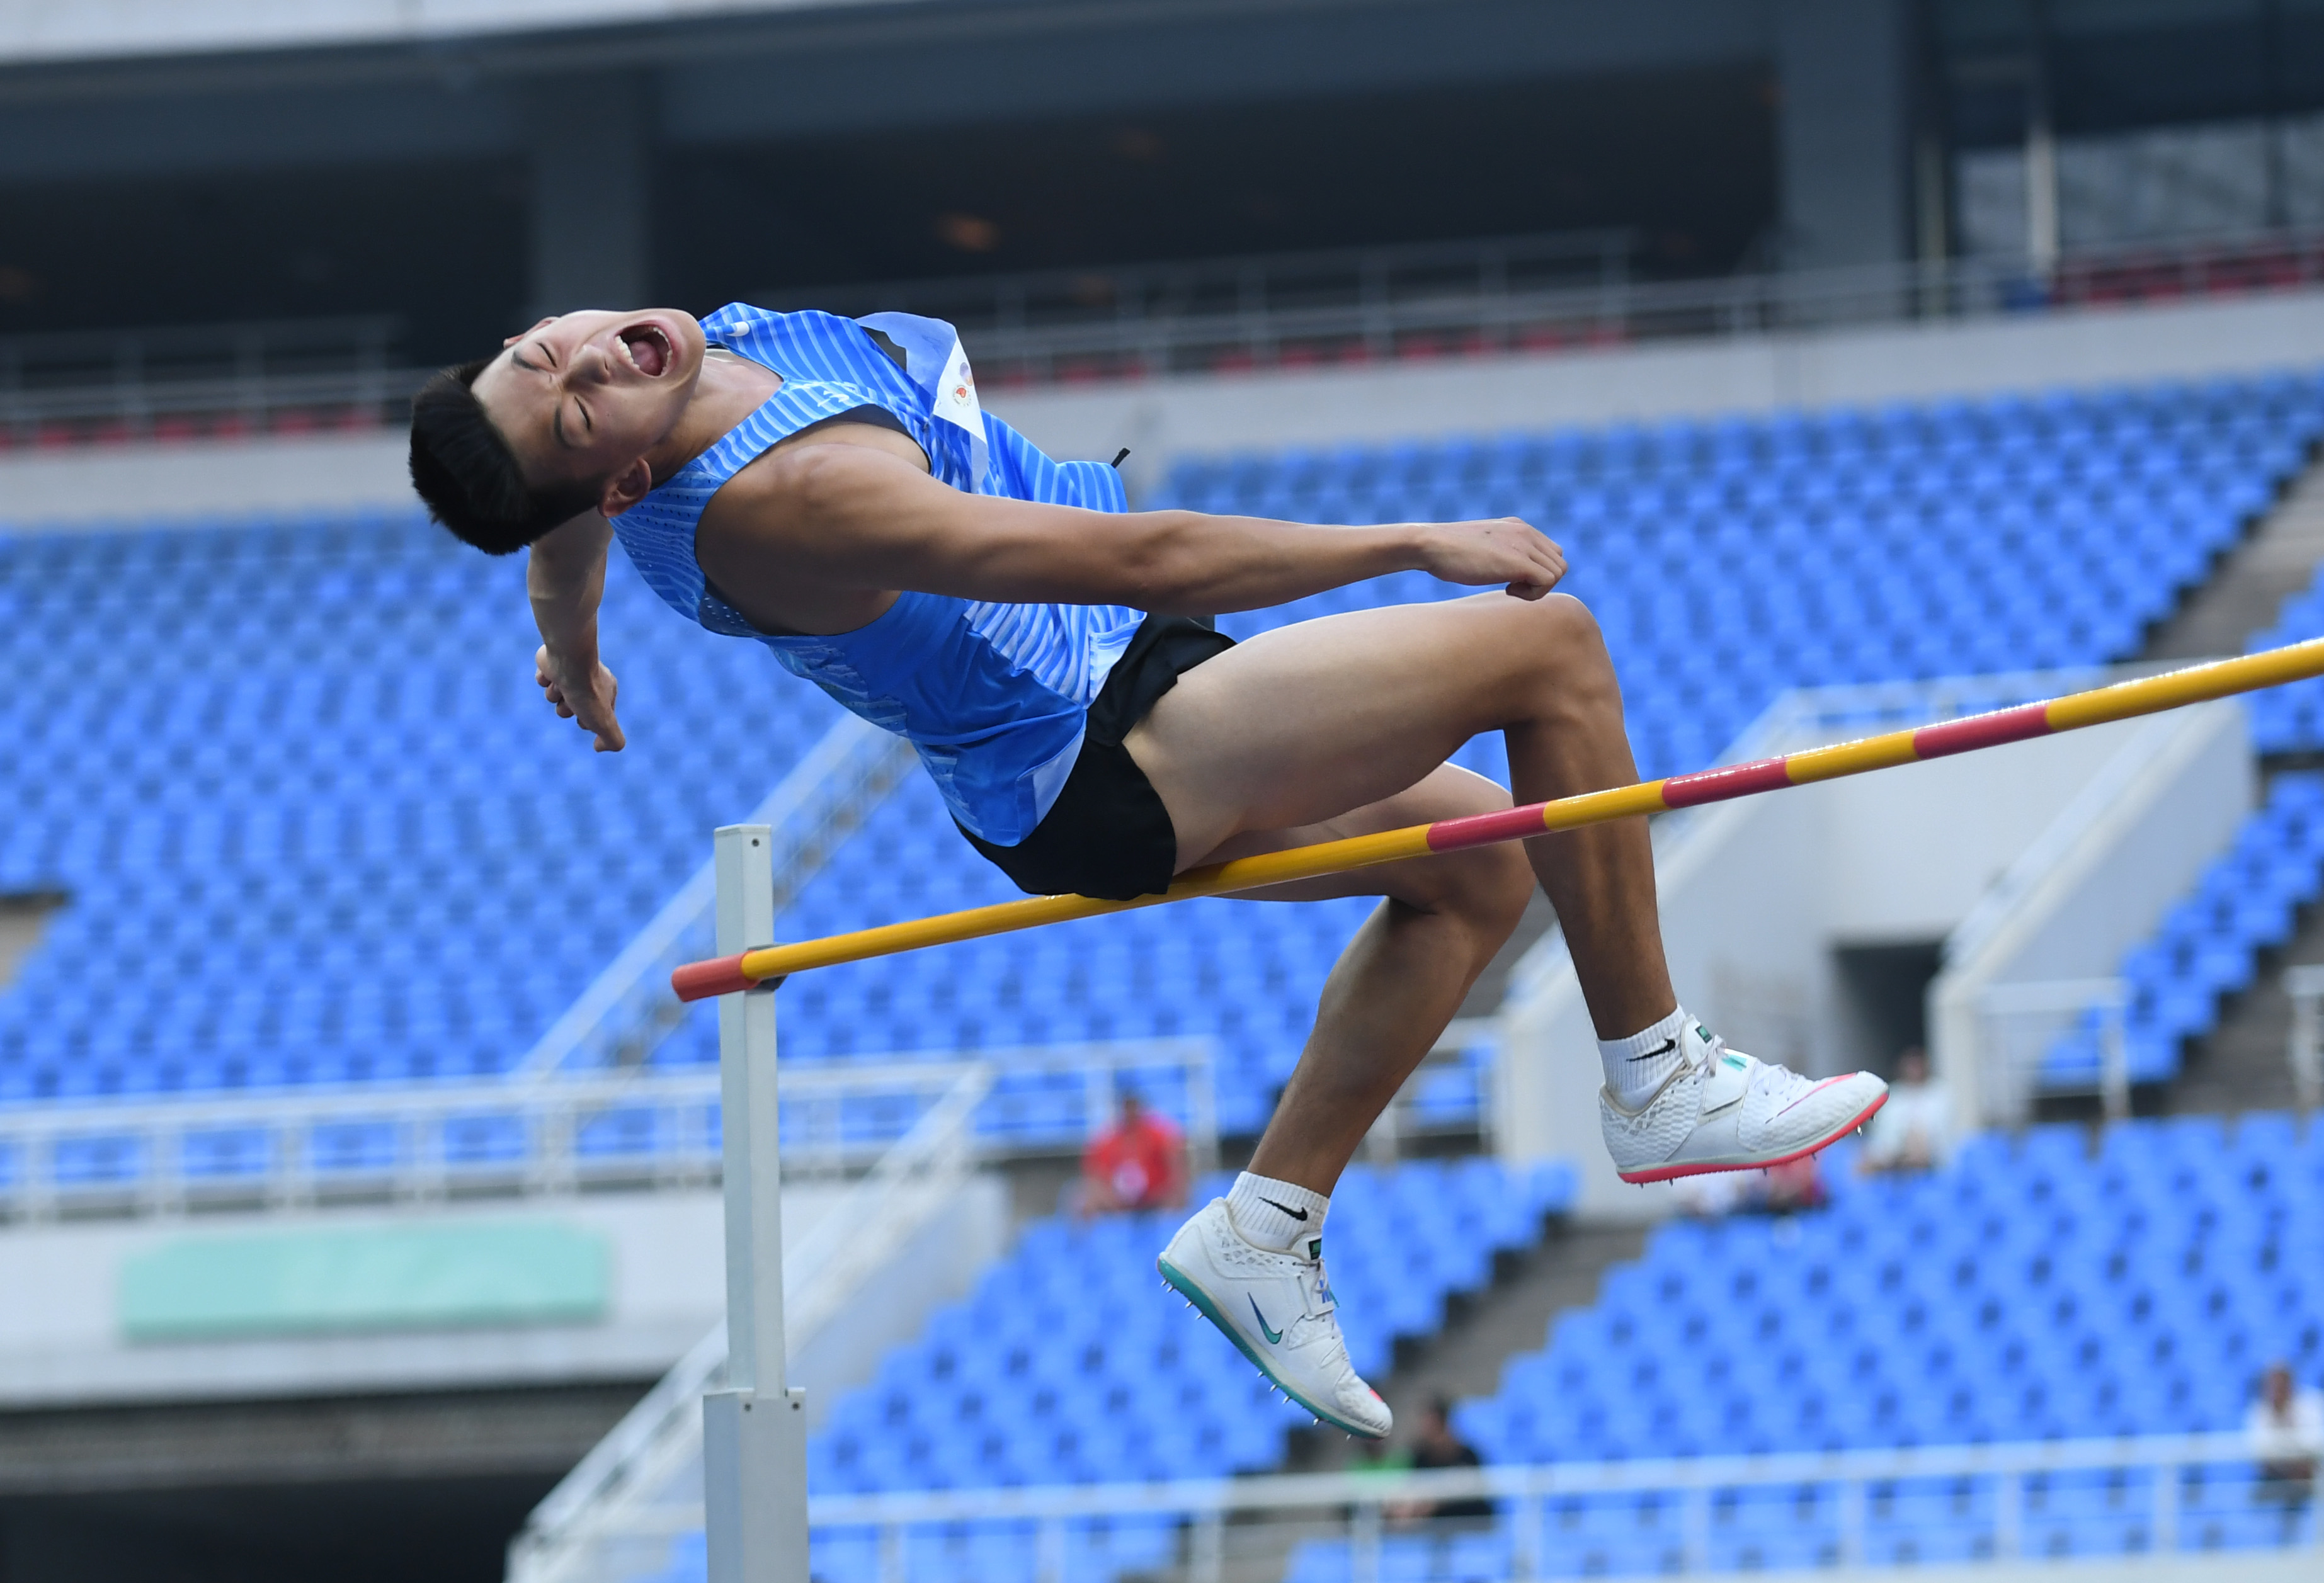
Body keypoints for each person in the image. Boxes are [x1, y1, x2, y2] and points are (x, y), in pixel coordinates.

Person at [406, 303, 1888, 1439]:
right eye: (576, 407)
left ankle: (1265, 1229)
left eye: (552, 352)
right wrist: (1410, 537)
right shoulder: (791, 506)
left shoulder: (644, 389)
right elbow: (1149, 557)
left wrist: (571, 644)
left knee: (1477, 877)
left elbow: (555, 540)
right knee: (1548, 654)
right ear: (624, 483)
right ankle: (1658, 1081)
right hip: (1101, 751)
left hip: (1113, 697)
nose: (588, 365)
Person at [1076, 1088, 1188, 1217]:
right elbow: (1094, 1174)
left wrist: (1168, 1193)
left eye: (1133, 1107)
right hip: (1117, 1204)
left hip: (1155, 1200)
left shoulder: (1159, 1137)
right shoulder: (1108, 1140)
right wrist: (1109, 1198)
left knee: (1177, 1197)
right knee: (1083, 1201)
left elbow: (1177, 1168)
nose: (1130, 1112)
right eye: (1127, 1108)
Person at [1386, 1397, 1496, 1526]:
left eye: (1431, 1425)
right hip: (1432, 1532)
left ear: (1443, 1424)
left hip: (1471, 1528)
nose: (1425, 1431)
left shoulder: (1468, 1456)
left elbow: (1475, 1495)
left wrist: (1435, 1501)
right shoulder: (1420, 1457)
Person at [1857, 1046, 1947, 1175]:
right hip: (1895, 1162)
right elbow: (1881, 1137)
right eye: (1910, 1064)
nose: (1914, 1069)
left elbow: (1943, 1136)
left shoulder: (1940, 1093)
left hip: (1932, 1163)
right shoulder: (1891, 1096)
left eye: (1917, 1064)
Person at [2247, 1361, 2323, 1508]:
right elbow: (2260, 1455)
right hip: (2276, 1478)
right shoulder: (2258, 1412)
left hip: (2311, 1476)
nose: (2277, 1391)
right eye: (2272, 1386)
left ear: (2291, 1384)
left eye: (2281, 1385)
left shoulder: (2312, 1405)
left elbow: (2314, 1446)